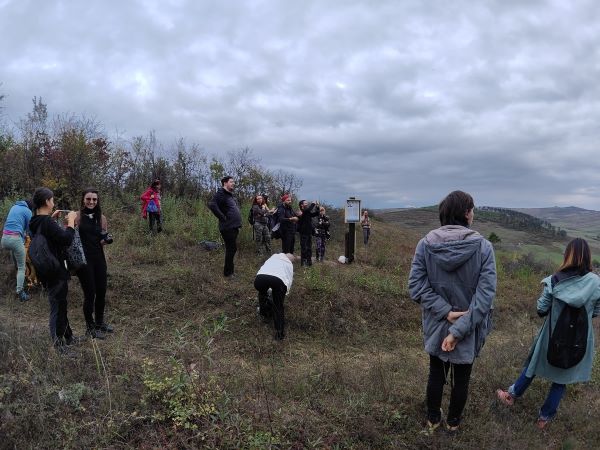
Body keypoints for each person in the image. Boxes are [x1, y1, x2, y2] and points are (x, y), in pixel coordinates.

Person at [408, 190, 496, 432]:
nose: (474, 214)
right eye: (473, 210)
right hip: (469, 325)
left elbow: (415, 286)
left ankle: (433, 420)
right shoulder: (484, 248)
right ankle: (453, 424)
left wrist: (445, 312)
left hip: (436, 322)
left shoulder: (425, 245)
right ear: (466, 213)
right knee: (462, 378)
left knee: (436, 373)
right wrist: (459, 330)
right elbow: (485, 297)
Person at [496, 238, 600, 429]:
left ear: (567, 255)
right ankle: (544, 419)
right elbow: (597, 311)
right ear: (588, 256)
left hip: (550, 336)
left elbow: (541, 309)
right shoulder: (596, 283)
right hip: (579, 340)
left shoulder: (555, 279)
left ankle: (511, 395)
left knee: (533, 366)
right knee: (561, 379)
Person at [28, 187, 78, 354]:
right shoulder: (46, 222)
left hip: (46, 270)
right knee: (57, 306)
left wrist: (52, 218)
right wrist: (71, 221)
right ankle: (58, 345)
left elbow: (47, 237)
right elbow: (66, 239)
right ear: (47, 202)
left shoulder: (34, 221)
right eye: (52, 199)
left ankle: (68, 336)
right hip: (55, 269)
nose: (54, 202)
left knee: (61, 303)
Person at [75, 188, 113, 340]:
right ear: (83, 200)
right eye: (88, 199)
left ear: (98, 201)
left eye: (94, 199)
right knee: (90, 294)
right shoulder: (76, 216)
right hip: (84, 261)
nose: (91, 202)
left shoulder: (101, 218)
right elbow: (69, 238)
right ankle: (90, 328)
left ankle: (99, 323)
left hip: (99, 259)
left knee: (102, 292)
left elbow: (101, 240)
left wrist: (107, 239)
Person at [254, 253, 295, 340]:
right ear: (290, 260)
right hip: (278, 281)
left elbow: (265, 268)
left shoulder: (273, 257)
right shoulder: (289, 264)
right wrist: (282, 294)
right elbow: (288, 281)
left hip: (259, 279)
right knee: (278, 306)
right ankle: (279, 334)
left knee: (262, 294)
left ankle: (264, 313)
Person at [208, 176, 242, 278]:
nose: (233, 183)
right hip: (227, 227)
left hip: (233, 226)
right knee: (231, 249)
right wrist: (222, 217)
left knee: (232, 249)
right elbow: (212, 204)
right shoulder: (221, 193)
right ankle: (228, 273)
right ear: (225, 183)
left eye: (233, 182)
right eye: (231, 182)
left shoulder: (229, 195)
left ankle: (229, 271)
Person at [1, 199, 33, 302]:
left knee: (17, 265)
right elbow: (29, 229)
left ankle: (20, 282)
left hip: (4, 239)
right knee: (21, 267)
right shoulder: (28, 211)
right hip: (15, 239)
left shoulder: (14, 207)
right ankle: (20, 293)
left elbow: (15, 225)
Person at [296, 200, 319, 266]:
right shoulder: (301, 211)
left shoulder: (307, 211)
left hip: (309, 233)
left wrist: (317, 207)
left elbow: (316, 214)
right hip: (303, 233)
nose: (307, 204)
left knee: (309, 248)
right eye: (305, 203)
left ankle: (309, 262)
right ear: (301, 205)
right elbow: (308, 210)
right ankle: (303, 263)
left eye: (307, 203)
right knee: (304, 248)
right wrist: (313, 204)